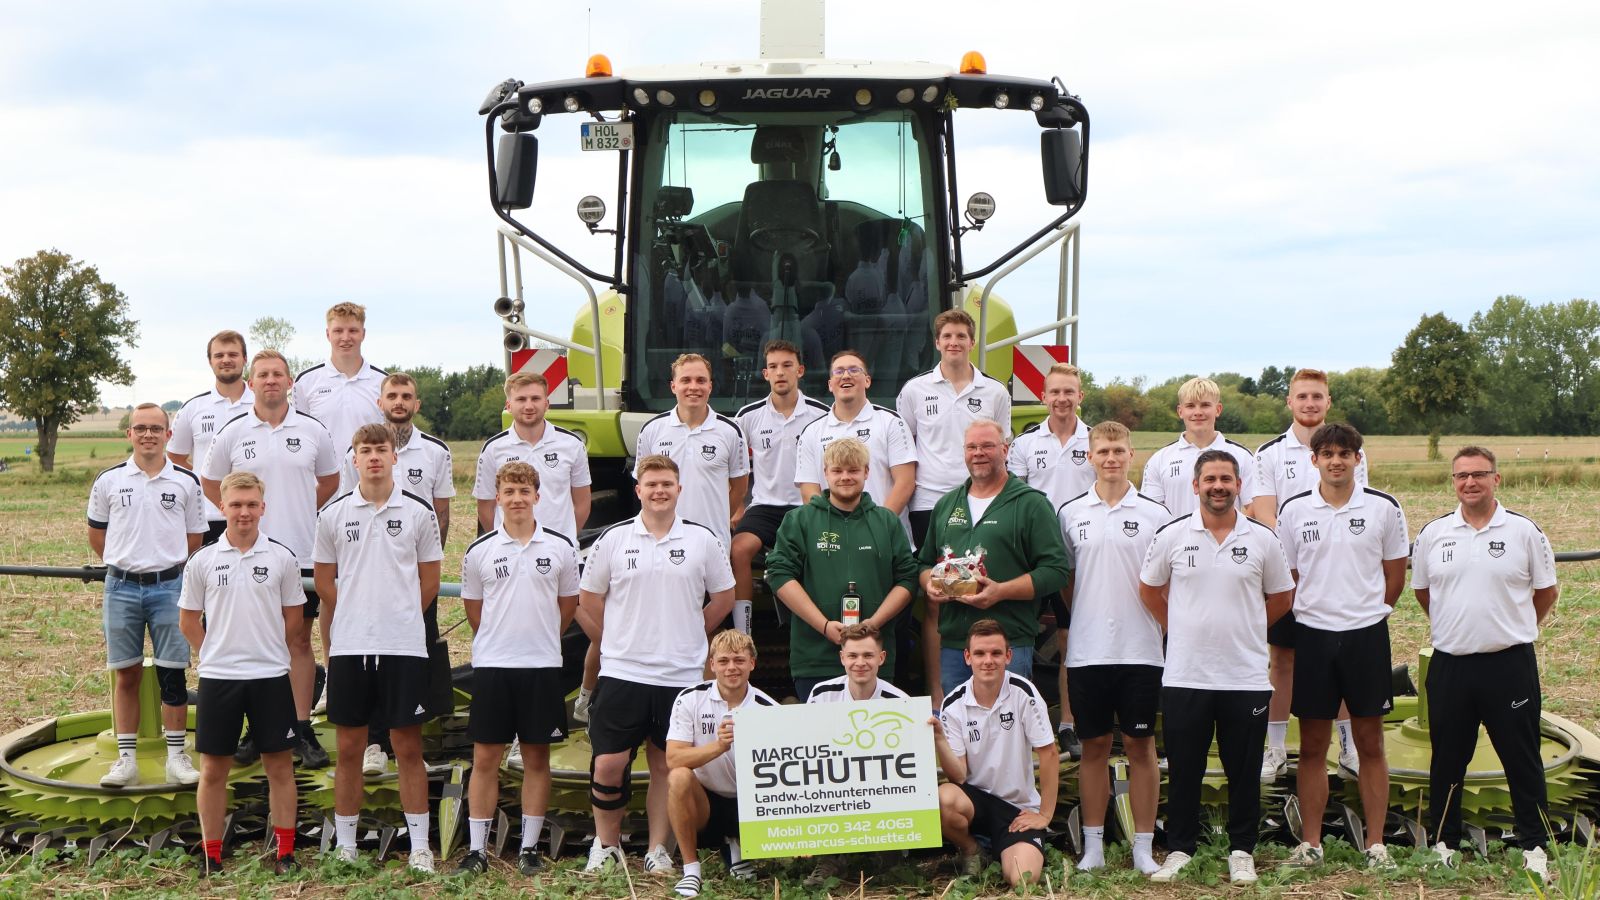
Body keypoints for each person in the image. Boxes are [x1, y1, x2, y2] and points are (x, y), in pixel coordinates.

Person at [1138, 449, 1294, 885]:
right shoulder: (1172, 535)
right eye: (1210, 479)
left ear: (1239, 485)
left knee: (1243, 771)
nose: (1218, 486)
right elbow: (1149, 590)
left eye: (1226, 479)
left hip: (1244, 677)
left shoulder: (1263, 539)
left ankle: (1242, 850)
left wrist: (1248, 627)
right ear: (1195, 485)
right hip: (1187, 674)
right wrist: (1179, 628)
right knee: (1185, 768)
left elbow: (1282, 596)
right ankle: (1181, 849)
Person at [578, 455, 736, 878]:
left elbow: (722, 599)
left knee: (668, 764)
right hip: (622, 671)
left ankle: (657, 850)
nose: (659, 490)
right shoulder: (613, 539)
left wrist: (689, 631)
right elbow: (589, 600)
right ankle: (606, 846)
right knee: (609, 764)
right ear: (638, 490)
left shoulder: (703, 540)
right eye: (651, 484)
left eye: (667, 483)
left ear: (679, 489)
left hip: (681, 675)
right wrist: (615, 642)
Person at [1412, 446, 1558, 882]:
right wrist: (1459, 628)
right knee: (1448, 759)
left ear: (1497, 479)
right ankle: (1443, 843)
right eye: (1461, 476)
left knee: (1522, 757)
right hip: (1451, 665)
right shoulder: (1434, 533)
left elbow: (1546, 592)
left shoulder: (1524, 532)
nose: (1469, 482)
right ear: (1453, 482)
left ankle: (1534, 844)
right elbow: (1424, 594)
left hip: (1508, 665)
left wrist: (1509, 630)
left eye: (1479, 474)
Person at [1274, 423, 1407, 868]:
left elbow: (1394, 576)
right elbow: (1287, 576)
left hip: (1366, 635)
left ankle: (1376, 846)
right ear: (1314, 460)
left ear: (1357, 459)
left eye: (1344, 453)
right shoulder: (1294, 511)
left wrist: (1367, 613)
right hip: (1312, 635)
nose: (1336, 461)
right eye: (1327, 453)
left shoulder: (1384, 508)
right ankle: (1311, 844)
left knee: (1370, 744)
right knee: (1313, 746)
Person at [201, 349, 341, 769]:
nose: (270, 381)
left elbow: (331, 480)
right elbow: (210, 482)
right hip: (245, 553)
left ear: (289, 382)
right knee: (251, 639)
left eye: (278, 374)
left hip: (299, 554)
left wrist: (295, 507)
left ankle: (299, 728)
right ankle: (256, 729)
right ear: (252, 380)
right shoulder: (233, 430)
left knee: (297, 640)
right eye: (262, 374)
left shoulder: (313, 430)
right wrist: (242, 517)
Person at [314, 424, 444, 872]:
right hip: (350, 646)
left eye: (380, 449)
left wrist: (400, 613)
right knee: (349, 747)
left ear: (394, 457)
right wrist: (355, 610)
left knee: (407, 747)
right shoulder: (333, 514)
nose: (373, 457)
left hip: (404, 645)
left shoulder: (418, 512)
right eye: (364, 450)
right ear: (353, 459)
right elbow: (325, 579)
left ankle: (421, 847)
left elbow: (429, 578)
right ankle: (347, 846)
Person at [453, 461, 579, 877]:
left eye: (525, 492)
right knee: (485, 758)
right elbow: (475, 612)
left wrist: (539, 640)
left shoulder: (560, 548)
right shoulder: (479, 551)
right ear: (498, 498)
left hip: (542, 666)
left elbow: (567, 609)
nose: (517, 499)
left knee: (535, 759)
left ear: (537, 497)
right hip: (493, 666)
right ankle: (477, 851)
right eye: (509, 492)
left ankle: (528, 848)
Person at [177, 471, 304, 877]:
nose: (244, 512)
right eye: (236, 504)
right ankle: (212, 853)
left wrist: (266, 649)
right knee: (214, 770)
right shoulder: (204, 561)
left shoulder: (282, 557)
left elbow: (294, 619)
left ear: (262, 508)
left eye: (251, 504)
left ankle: (285, 852)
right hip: (219, 678)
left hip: (270, 676)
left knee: (279, 767)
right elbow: (188, 621)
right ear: (222, 507)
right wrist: (215, 652)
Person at [1056, 421, 1168, 874]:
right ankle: (1095, 846)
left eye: (1118, 450)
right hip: (1087, 650)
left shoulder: (1156, 514)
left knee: (1141, 747)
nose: (1111, 458)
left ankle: (1143, 846)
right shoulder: (1070, 513)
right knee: (1094, 747)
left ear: (1131, 454)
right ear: (1089, 455)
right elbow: (1067, 581)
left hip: (1141, 649)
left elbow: (1164, 582)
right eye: (1102, 450)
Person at [1251, 368, 1370, 778]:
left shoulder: (1353, 450)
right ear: (1289, 402)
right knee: (1281, 661)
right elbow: (1264, 512)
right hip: (1286, 573)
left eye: (1317, 396)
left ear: (1328, 401)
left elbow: (1358, 504)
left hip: (1336, 576)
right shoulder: (1267, 454)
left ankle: (1348, 747)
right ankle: (1276, 748)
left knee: (1340, 663)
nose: (1309, 403)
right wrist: (1285, 566)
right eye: (1302, 396)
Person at [338, 372, 455, 777]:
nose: (400, 401)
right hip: (369, 573)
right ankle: (374, 743)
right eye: (393, 395)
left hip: (415, 573)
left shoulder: (435, 452)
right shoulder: (359, 448)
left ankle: (409, 740)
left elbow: (441, 513)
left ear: (417, 404)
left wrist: (424, 569)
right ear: (380, 401)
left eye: (407, 396)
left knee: (416, 656)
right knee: (370, 660)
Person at [87, 403, 207, 789]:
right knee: (126, 673)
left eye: (156, 428)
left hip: (170, 587)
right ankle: (126, 760)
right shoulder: (109, 480)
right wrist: (128, 563)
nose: (148, 434)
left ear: (168, 435)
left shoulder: (186, 482)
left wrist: (163, 566)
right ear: (129, 434)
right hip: (121, 587)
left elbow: (194, 539)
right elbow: (98, 536)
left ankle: (176, 756)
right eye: (141, 428)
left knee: (173, 673)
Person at [475, 371, 594, 735]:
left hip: (562, 559)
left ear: (547, 402)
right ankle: (515, 731)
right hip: (511, 560)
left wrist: (556, 541)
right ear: (509, 404)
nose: (529, 405)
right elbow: (485, 508)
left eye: (535, 399)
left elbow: (581, 504)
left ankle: (586, 699)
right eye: (521, 399)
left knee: (602, 633)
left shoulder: (571, 445)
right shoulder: (494, 448)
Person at [919, 419, 1071, 700]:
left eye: (987, 445)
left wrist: (1000, 592)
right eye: (972, 446)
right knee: (958, 738)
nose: (979, 452)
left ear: (1005, 450)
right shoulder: (946, 504)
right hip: (956, 645)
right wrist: (930, 584)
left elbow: (1055, 571)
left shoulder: (1031, 504)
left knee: (1008, 733)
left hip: (1008, 642)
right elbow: (925, 563)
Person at [766, 438, 919, 699]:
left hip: (873, 659)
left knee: (875, 738)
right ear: (825, 473)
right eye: (837, 470)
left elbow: (907, 579)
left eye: (853, 470)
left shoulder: (887, 522)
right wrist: (824, 626)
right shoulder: (800, 520)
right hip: (815, 657)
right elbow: (779, 576)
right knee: (823, 738)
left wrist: (872, 624)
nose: (845, 477)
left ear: (866, 472)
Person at [1006, 362, 1094, 757]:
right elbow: (1016, 501)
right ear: (1043, 397)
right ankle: (1014, 723)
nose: (1062, 399)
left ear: (1080, 396)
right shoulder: (1025, 444)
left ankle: (1068, 724)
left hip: (1078, 558)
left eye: (1069, 392)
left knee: (1069, 640)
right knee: (1018, 639)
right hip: (1034, 558)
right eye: (1054, 392)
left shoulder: (1094, 442)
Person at [934, 619, 1058, 888]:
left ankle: (1006, 851)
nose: (987, 661)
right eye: (979, 653)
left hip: (1018, 810)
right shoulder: (954, 703)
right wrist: (939, 740)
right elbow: (959, 775)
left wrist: (1045, 814)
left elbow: (1048, 754)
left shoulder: (1024, 693)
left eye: (995, 653)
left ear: (1008, 656)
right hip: (976, 801)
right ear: (967, 657)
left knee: (1022, 880)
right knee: (943, 799)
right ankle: (972, 850)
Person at [664, 630, 777, 897]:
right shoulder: (690, 698)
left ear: (752, 663)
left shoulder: (768, 708)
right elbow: (673, 758)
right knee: (679, 777)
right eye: (724, 661)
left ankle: (738, 843)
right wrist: (719, 746)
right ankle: (691, 870)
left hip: (750, 804)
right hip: (706, 800)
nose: (731, 668)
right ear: (712, 664)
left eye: (739, 660)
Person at [730, 340, 828, 635]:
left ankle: (819, 626)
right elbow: (733, 467)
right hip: (764, 506)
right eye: (773, 367)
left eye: (787, 365)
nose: (780, 372)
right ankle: (743, 632)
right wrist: (737, 507)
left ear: (800, 370)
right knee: (738, 550)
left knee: (824, 555)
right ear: (765, 374)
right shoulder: (747, 417)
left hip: (807, 506)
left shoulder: (822, 415)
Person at [897, 309, 1012, 546]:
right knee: (932, 574)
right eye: (947, 336)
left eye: (961, 336)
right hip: (928, 501)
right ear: (937, 343)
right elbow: (904, 449)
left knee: (977, 570)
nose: (954, 342)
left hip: (982, 498)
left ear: (972, 342)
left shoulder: (996, 392)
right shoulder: (914, 390)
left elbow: (1002, 449)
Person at [794, 350, 917, 537]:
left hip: (884, 537)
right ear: (830, 385)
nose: (846, 375)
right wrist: (833, 528)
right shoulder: (811, 432)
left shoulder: (892, 422)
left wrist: (877, 526)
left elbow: (905, 482)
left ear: (867, 380)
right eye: (839, 371)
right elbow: (809, 491)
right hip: (833, 537)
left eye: (854, 370)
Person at [634, 353, 750, 549]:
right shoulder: (651, 430)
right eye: (686, 380)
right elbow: (645, 488)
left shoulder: (730, 431)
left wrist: (717, 518)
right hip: (662, 541)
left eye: (701, 380)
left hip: (713, 542)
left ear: (710, 386)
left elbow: (739, 489)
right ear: (673, 386)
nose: (694, 387)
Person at [168, 329, 255, 545]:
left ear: (244, 358)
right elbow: (175, 459)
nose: (226, 360)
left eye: (233, 354)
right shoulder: (193, 408)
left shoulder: (262, 404)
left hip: (255, 514)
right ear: (210, 361)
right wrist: (201, 476)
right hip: (207, 517)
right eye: (219, 355)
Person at [1139, 377, 1256, 517]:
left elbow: (1254, 507)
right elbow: (1149, 513)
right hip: (1176, 539)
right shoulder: (1159, 460)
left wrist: (1236, 535)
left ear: (1218, 409)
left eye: (1205, 405)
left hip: (1226, 539)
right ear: (1180, 411)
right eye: (1190, 406)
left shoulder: (1242, 456)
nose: (1198, 412)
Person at [292, 301, 386, 453]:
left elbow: (391, 437)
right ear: (328, 334)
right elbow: (299, 435)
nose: (346, 337)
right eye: (338, 331)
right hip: (320, 476)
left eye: (353, 331)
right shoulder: (305, 381)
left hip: (370, 475)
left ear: (363, 334)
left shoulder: (383, 382)